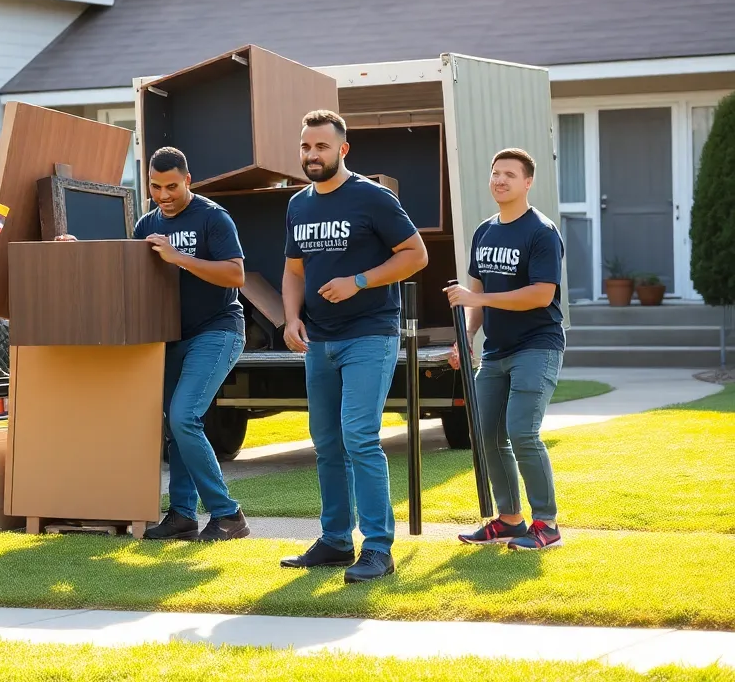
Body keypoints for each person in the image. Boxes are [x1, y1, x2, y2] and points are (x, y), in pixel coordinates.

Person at [56, 146, 250, 541]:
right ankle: (182, 515)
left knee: (184, 417)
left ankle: (228, 515)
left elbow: (236, 275)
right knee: (175, 426)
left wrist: (178, 257)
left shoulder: (213, 218)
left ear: (188, 180)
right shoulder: (146, 225)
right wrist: (79, 251)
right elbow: (125, 275)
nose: (164, 195)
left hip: (218, 330)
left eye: (172, 186)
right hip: (171, 336)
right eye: (156, 187)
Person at [278, 110, 428, 583]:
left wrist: (359, 281)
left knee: (359, 438)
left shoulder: (372, 197)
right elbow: (293, 270)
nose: (311, 155)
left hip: (369, 334)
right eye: (305, 147)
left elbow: (416, 255)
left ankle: (378, 548)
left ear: (343, 150)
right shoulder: (298, 205)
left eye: (321, 147)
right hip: (318, 339)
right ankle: (336, 542)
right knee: (326, 444)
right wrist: (291, 318)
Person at [445, 148, 566, 551]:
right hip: (496, 351)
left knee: (522, 432)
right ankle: (510, 519)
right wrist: (466, 338)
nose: (499, 180)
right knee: (485, 433)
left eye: (509, 175)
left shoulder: (542, 232)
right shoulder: (484, 231)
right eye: (495, 173)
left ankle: (546, 525)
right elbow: (475, 294)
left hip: (537, 346)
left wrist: (477, 302)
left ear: (527, 182)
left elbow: (540, 294)